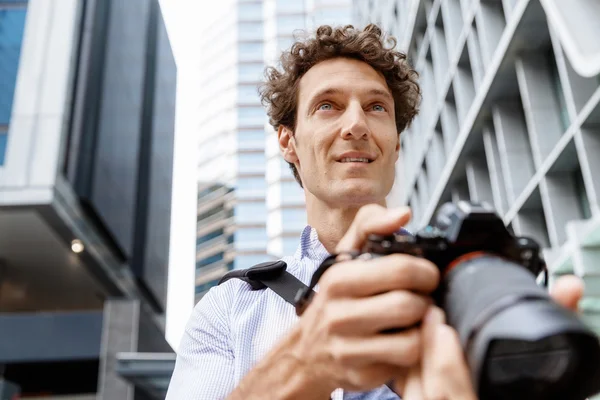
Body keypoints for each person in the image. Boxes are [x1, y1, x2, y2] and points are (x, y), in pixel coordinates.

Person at [165, 24, 584, 400]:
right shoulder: (231, 308)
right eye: (327, 105)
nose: (357, 125)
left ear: (396, 144)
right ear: (288, 142)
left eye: (377, 107)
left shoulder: (477, 281)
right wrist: (302, 368)